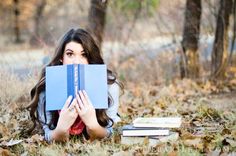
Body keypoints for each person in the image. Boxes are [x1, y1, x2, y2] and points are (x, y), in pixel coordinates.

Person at [28, 28, 122, 142]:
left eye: (84, 55)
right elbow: (47, 134)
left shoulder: (109, 85)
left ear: (90, 58)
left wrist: (93, 125)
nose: (77, 61)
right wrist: (61, 129)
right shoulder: (47, 87)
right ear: (61, 58)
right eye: (70, 54)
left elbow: (111, 131)